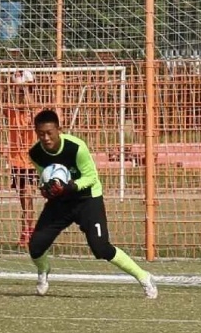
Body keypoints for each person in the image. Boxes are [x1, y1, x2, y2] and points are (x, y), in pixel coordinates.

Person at [27, 108, 158, 299]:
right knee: (36, 246)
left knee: (101, 247)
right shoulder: (35, 153)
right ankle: (44, 270)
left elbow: (91, 177)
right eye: (41, 134)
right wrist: (46, 189)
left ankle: (144, 277)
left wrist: (71, 186)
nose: (46, 138)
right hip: (61, 202)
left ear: (58, 130)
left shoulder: (76, 147)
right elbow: (44, 177)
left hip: (87, 199)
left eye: (49, 133)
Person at [1, 70, 39, 247]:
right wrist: (6, 87)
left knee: (29, 195)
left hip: (31, 161)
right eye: (19, 91)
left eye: (24, 90)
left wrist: (25, 87)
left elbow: (33, 108)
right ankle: (27, 231)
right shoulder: (12, 111)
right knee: (24, 199)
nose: (21, 94)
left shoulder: (35, 110)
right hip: (17, 161)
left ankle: (30, 233)